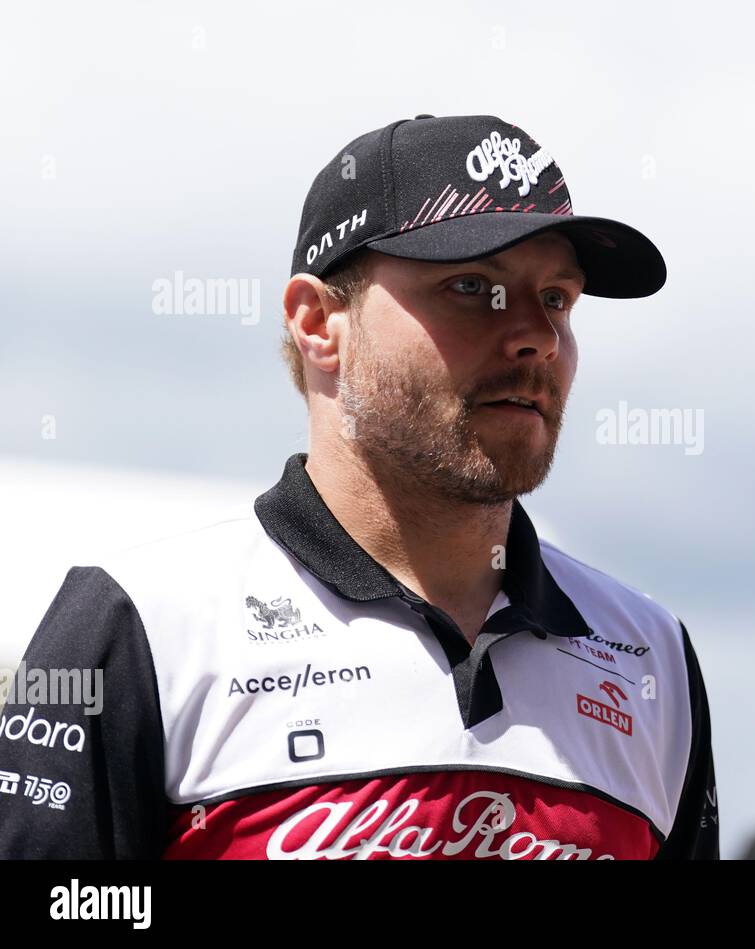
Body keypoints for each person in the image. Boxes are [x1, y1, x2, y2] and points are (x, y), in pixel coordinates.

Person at [0, 114, 718, 860]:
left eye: (559, 299)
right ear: (319, 323)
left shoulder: (648, 655)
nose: (535, 333)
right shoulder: (142, 624)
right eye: (473, 287)